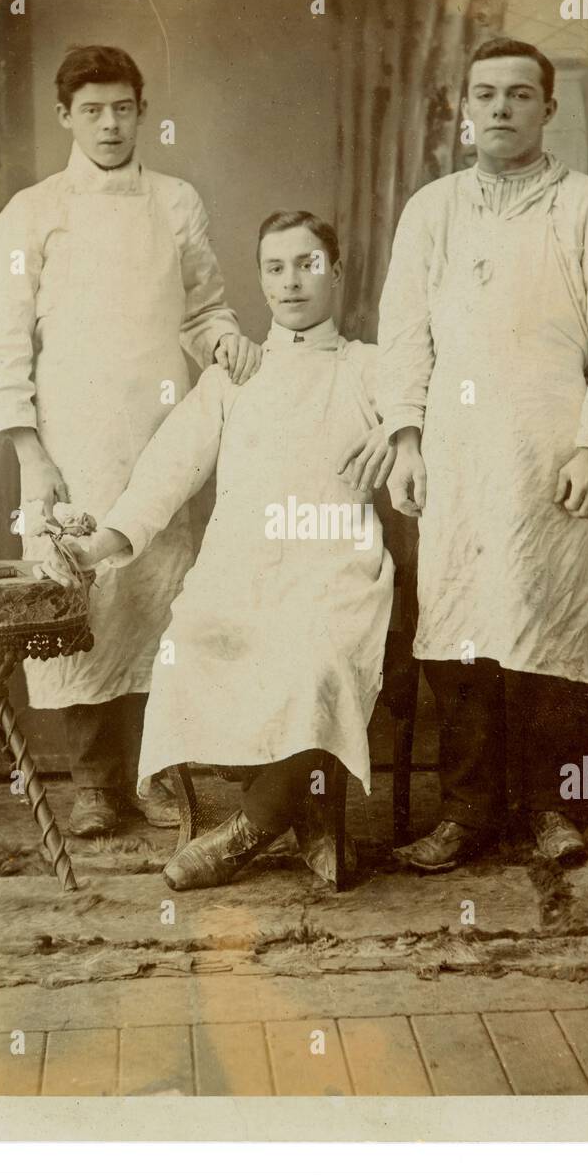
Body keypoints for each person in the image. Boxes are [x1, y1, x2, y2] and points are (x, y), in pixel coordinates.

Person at [341, 37, 588, 870]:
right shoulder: (433, 208)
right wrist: (406, 437)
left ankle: (549, 809)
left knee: (547, 620)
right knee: (457, 626)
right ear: (465, 110)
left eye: (520, 95)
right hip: (456, 448)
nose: (501, 109)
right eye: (486, 95)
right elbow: (404, 330)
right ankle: (468, 810)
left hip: (551, 444)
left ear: (548, 110)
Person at [37, 211, 395, 889]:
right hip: (240, 569)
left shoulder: (370, 371)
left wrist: (404, 431)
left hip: (337, 567)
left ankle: (245, 832)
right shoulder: (235, 376)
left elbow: (429, 414)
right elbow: (165, 474)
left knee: (315, 661)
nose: (291, 282)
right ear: (259, 278)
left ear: (337, 272)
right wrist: (101, 545)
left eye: (308, 264)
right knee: (195, 644)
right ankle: (310, 814)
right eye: (275, 267)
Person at [0, 45, 262, 839]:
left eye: (123, 108)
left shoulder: (177, 203)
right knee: (76, 601)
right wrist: (30, 450)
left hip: (161, 436)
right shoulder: (32, 212)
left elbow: (204, 309)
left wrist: (226, 344)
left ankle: (155, 775)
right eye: (93, 110)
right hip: (70, 440)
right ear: (66, 116)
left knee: (154, 598)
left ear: (143, 111)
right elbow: (3, 343)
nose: (109, 124)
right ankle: (92, 783)